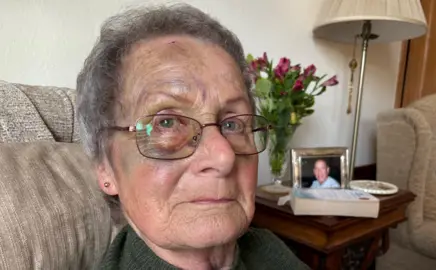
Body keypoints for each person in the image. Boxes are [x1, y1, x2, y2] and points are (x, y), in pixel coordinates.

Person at [76, 3, 310, 270]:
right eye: (167, 122)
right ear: (105, 168)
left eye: (233, 125)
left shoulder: (268, 249)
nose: (224, 156)